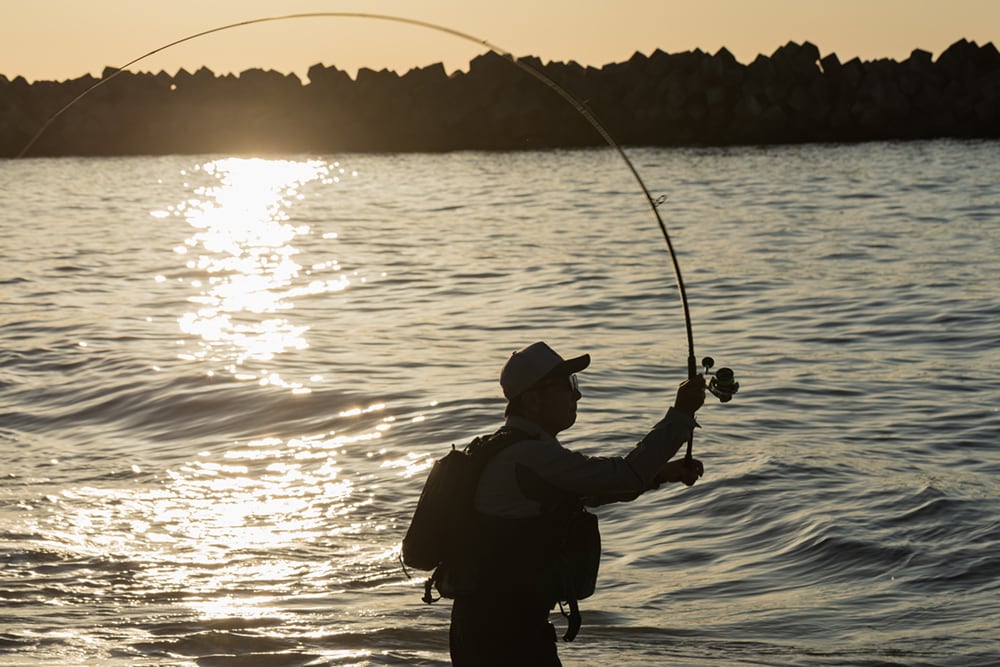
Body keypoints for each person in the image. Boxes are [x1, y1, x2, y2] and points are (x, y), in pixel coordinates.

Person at [448, 341, 706, 666]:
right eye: (568, 386)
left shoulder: (503, 449)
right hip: (506, 632)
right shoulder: (530, 455)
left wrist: (659, 474)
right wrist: (681, 414)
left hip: (480, 624)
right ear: (532, 400)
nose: (577, 395)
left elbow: (588, 492)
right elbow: (623, 476)